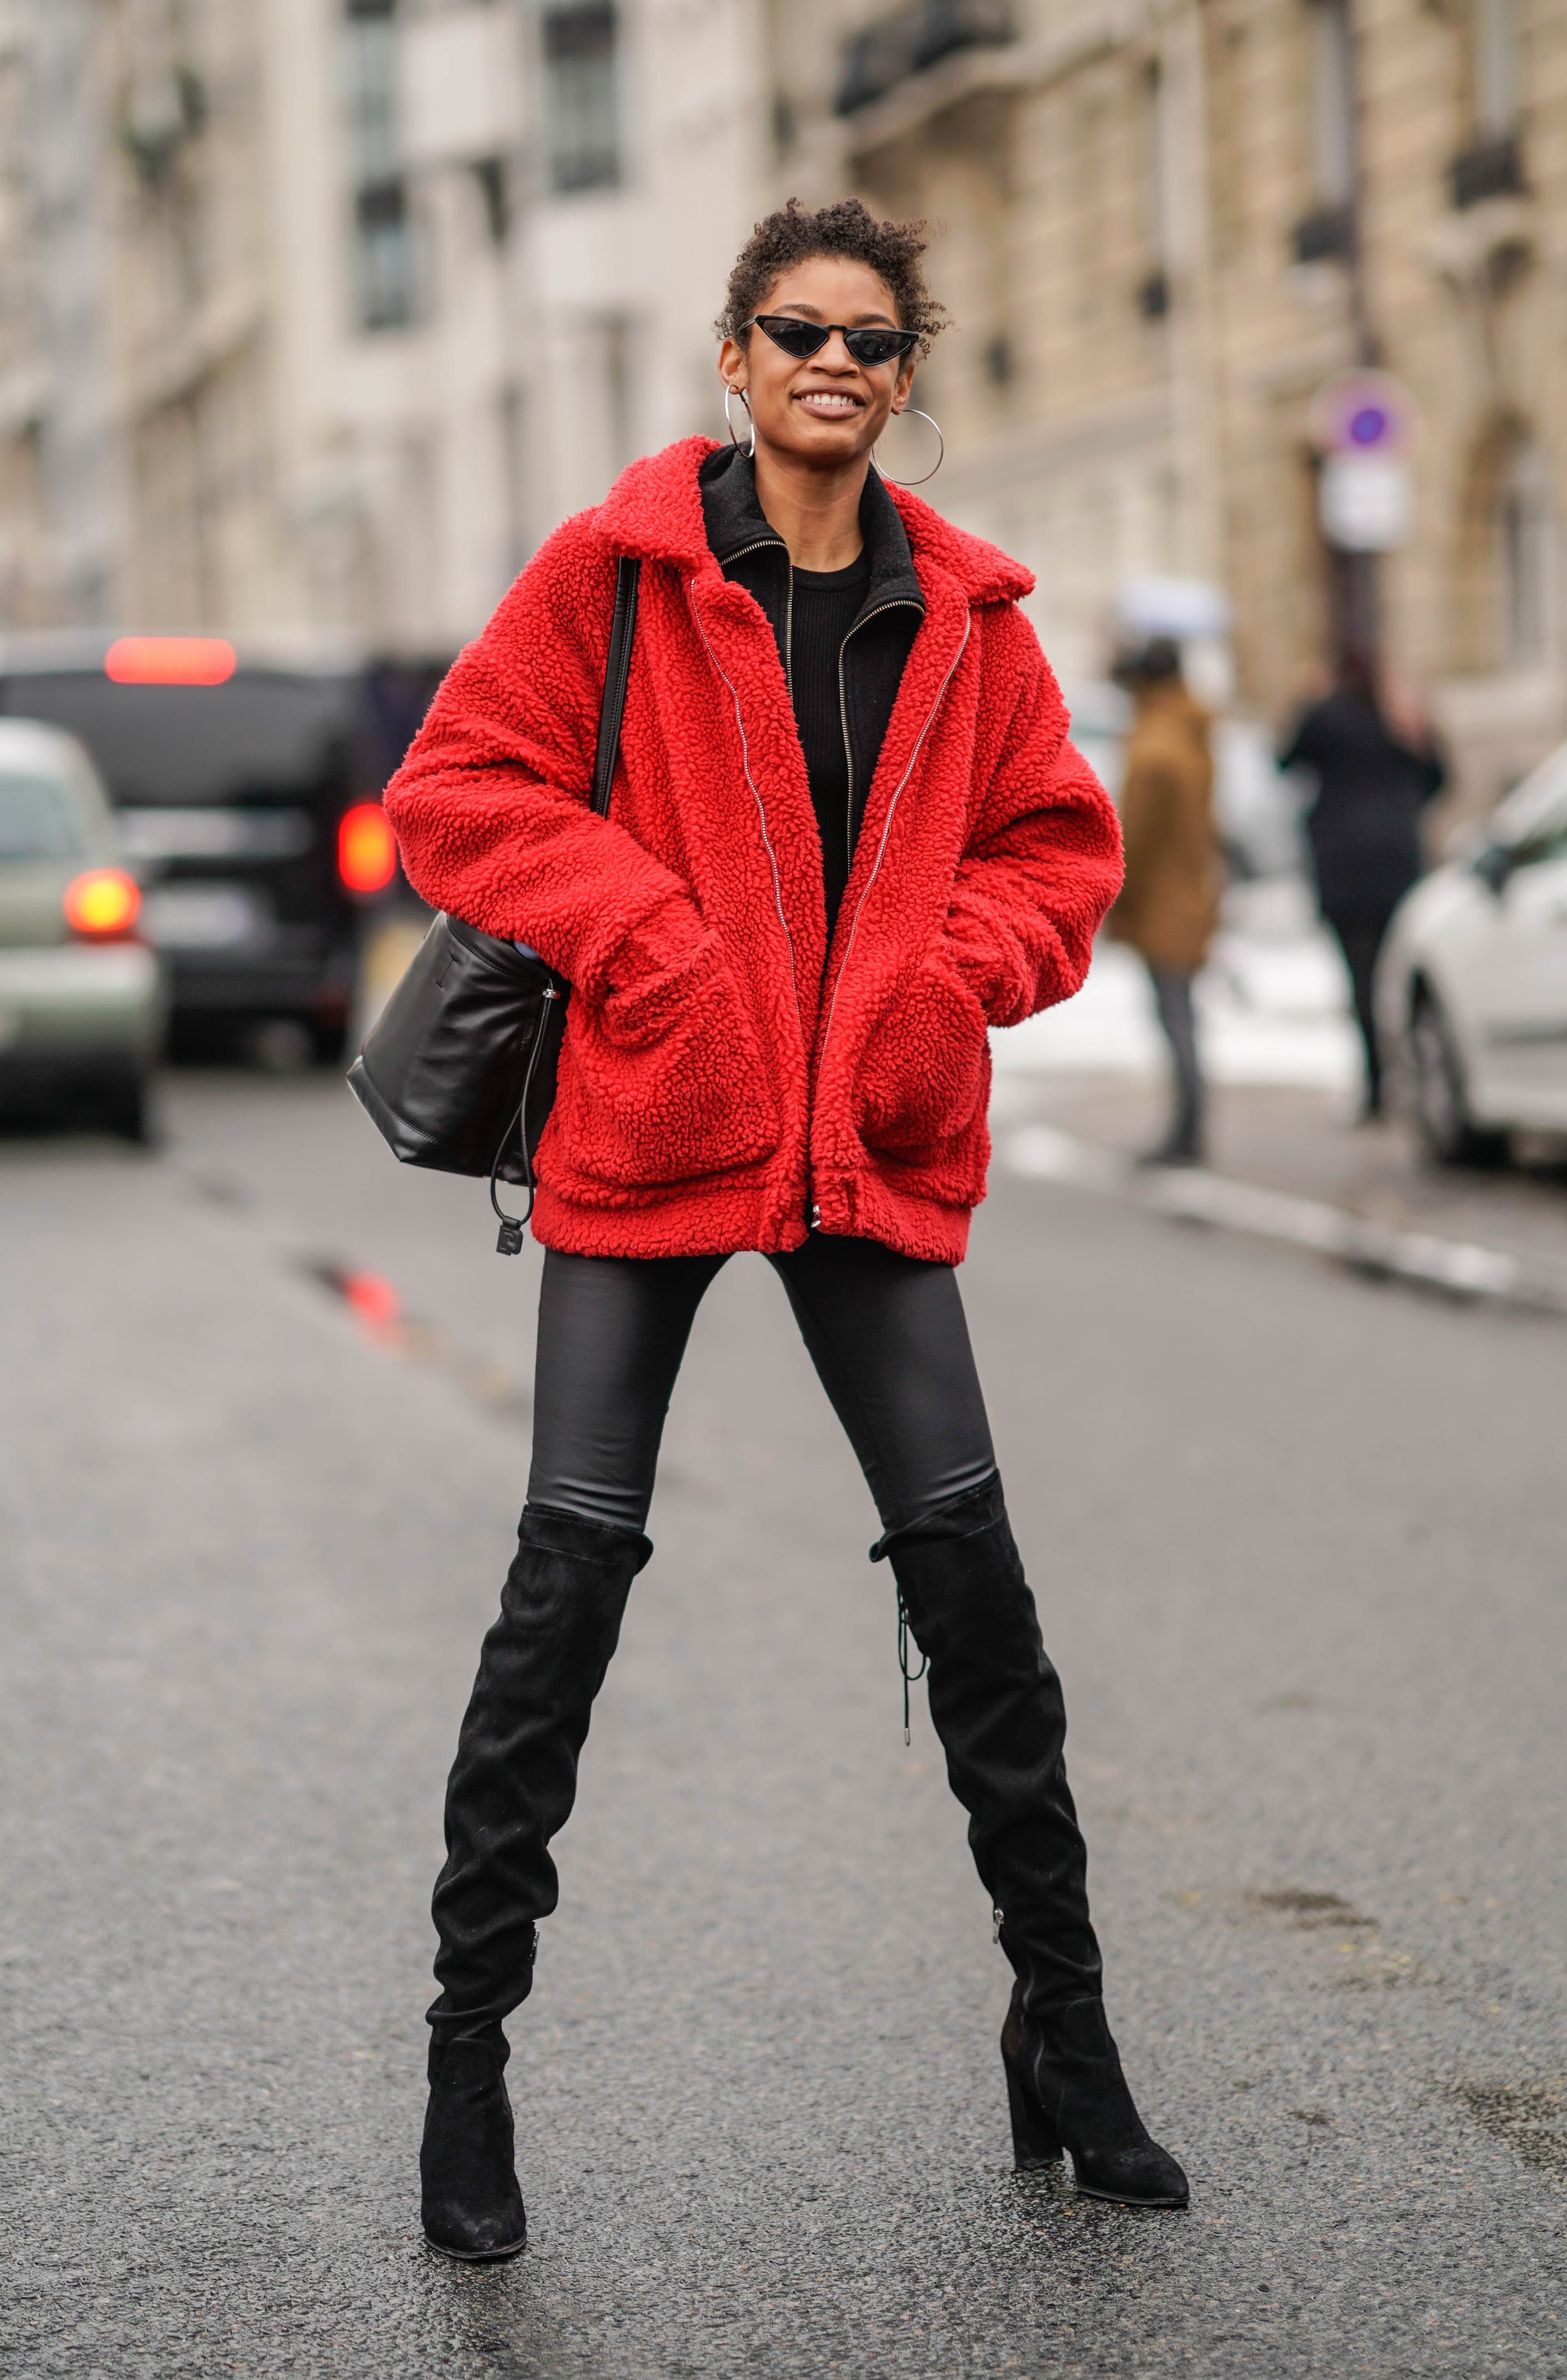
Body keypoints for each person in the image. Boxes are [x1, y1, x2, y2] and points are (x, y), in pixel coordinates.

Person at [384, 196, 1188, 2260]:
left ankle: (1070, 2038)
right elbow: (460, 795)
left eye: (873, 337)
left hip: (868, 1152)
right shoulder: (619, 572)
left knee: (977, 1586)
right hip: (652, 1137)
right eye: (795, 329)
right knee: (564, 1591)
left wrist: (943, 975)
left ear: (907, 378)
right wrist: (643, 933)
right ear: (731, 360)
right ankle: (466, 2070)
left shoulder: (976, 622)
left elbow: (1056, 859)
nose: (835, 360)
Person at [1279, 648, 1446, 1119]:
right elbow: (1438, 782)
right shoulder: (1400, 715)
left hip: (1344, 870)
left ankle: (1378, 1084)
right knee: (1400, 972)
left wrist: (1306, 702)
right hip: (1399, 865)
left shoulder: (1323, 716)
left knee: (1362, 979)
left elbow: (1285, 763)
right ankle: (1409, 1076)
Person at [1105, 638, 1218, 1166]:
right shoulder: (1192, 731)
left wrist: (1115, 900)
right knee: (1183, 1017)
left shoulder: (1154, 746)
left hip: (1162, 901)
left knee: (1175, 1020)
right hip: (1192, 889)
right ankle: (1189, 1127)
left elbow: (1136, 842)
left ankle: (1186, 1133)